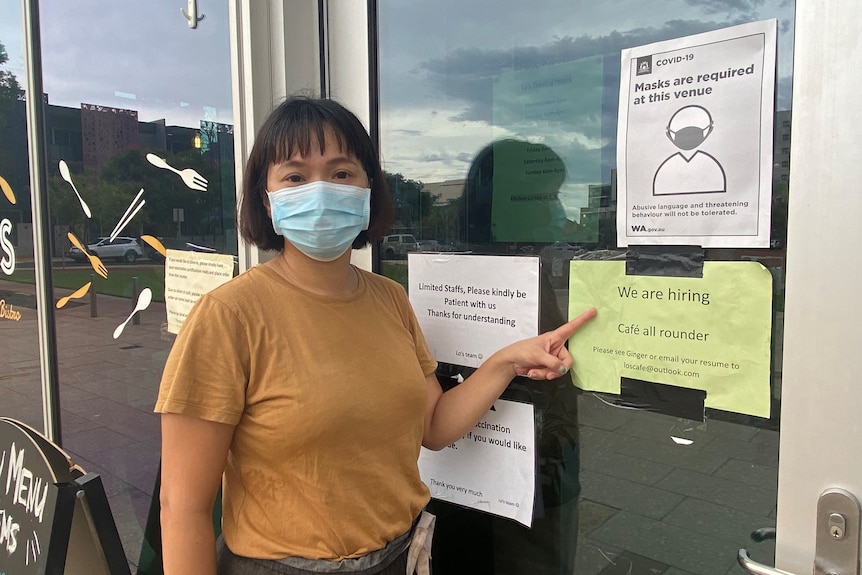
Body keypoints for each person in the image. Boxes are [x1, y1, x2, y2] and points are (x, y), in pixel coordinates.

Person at [155, 95, 596, 575]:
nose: (321, 190)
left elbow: (433, 428)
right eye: (295, 176)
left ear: (369, 190)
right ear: (267, 199)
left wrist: (506, 361)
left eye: (342, 173)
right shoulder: (228, 316)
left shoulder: (389, 299)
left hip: (401, 556)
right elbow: (183, 508)